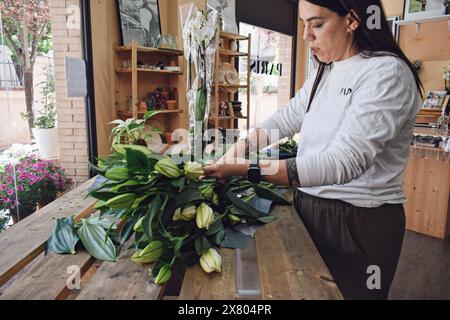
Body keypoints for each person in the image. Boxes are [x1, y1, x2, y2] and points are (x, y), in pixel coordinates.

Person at [203, 0, 423, 300]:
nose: (307, 35)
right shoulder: (327, 70)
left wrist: (250, 169)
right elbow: (287, 117)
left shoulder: (387, 73)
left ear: (353, 20)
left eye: (316, 24)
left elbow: (343, 162)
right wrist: (238, 150)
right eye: (304, 24)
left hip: (357, 221)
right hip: (309, 203)